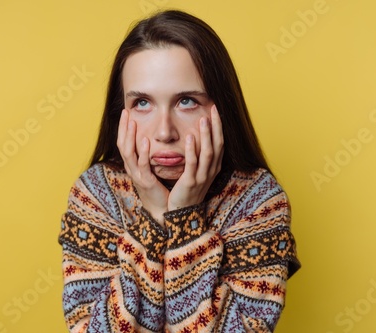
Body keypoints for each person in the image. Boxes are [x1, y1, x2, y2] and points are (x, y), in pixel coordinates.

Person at [58, 9, 300, 333]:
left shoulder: (257, 202)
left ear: (220, 109)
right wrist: (154, 220)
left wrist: (185, 219)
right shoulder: (96, 196)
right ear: (122, 113)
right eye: (142, 102)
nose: (164, 131)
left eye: (186, 101)